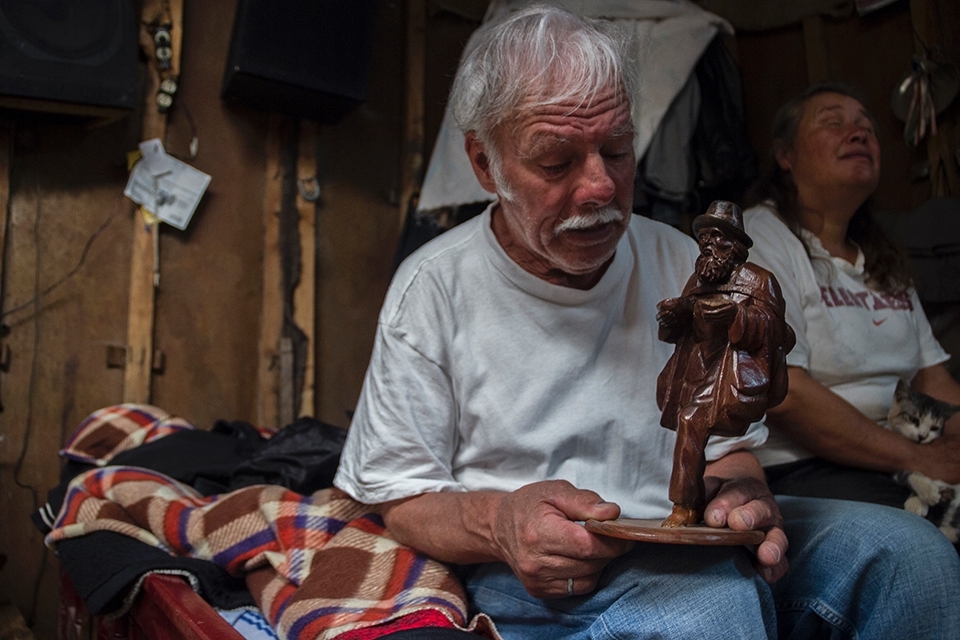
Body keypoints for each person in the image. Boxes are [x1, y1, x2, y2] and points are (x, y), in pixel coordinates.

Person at [335, 7, 960, 638]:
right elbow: (400, 497)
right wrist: (501, 522)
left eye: (617, 149)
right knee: (707, 608)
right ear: (485, 165)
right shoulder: (432, 285)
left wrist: (742, 496)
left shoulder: (682, 259)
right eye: (556, 163)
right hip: (544, 566)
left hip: (688, 538)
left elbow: (729, 452)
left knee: (912, 558)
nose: (601, 187)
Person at [742, 82, 960, 510]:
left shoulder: (880, 257)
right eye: (833, 123)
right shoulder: (761, 237)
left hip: (906, 454)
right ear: (785, 156)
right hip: (806, 465)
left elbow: (931, 378)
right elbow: (787, 393)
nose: (858, 133)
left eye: (867, 128)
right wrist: (924, 458)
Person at [657, 201, 795, 527]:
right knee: (688, 424)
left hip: (730, 373)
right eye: (704, 240)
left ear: (735, 247)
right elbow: (680, 329)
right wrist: (673, 315)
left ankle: (683, 506)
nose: (708, 248)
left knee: (691, 420)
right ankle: (695, 499)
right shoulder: (698, 280)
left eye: (717, 240)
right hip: (694, 367)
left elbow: (781, 333)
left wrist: (737, 316)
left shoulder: (759, 281)